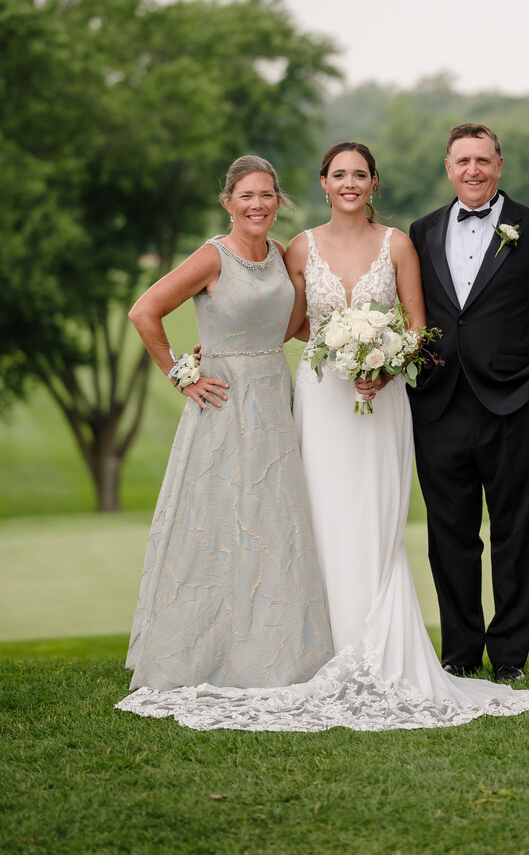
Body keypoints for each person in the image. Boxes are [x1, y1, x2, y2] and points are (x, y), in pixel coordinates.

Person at [279, 140, 529, 728]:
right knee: (320, 513)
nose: (349, 183)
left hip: (384, 400)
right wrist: (328, 352)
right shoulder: (300, 247)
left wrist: (382, 364)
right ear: (322, 182)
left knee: (374, 515)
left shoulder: (398, 244)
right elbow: (292, 324)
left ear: (374, 183)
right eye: (338, 174)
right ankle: (323, 646)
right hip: (320, 400)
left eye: (359, 174)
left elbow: (420, 328)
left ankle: (383, 645)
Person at [117, 155, 333, 707]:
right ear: (228, 202)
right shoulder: (213, 257)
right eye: (247, 196)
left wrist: (355, 338)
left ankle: (274, 652)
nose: (258, 205)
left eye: (266, 195)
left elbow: (292, 325)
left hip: (274, 400)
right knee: (217, 523)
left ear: (278, 200)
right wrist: (183, 373)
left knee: (271, 523)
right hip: (223, 405)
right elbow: (145, 311)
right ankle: (202, 652)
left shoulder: (282, 256)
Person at [408, 123, 529, 683]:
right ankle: (459, 653)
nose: (473, 171)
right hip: (438, 407)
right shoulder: (422, 230)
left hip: (514, 404)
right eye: (463, 161)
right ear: (448, 166)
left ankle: (509, 657)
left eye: (483, 161)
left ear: (499, 165)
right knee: (449, 537)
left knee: (515, 533)